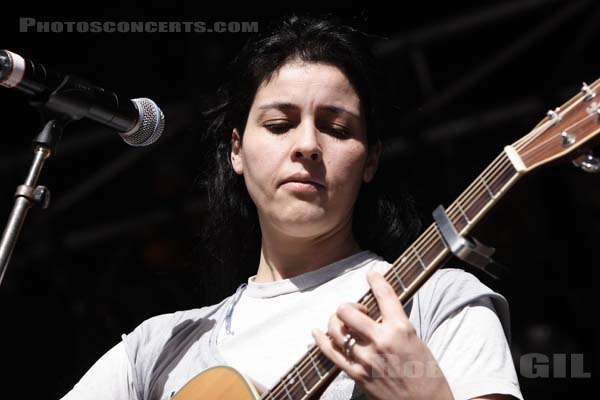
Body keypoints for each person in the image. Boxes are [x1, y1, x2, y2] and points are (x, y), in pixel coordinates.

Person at [60, 14, 523, 400]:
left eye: (337, 129)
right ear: (236, 150)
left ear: (370, 160)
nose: (307, 145)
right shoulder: (161, 349)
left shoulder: (434, 301)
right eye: (280, 124)